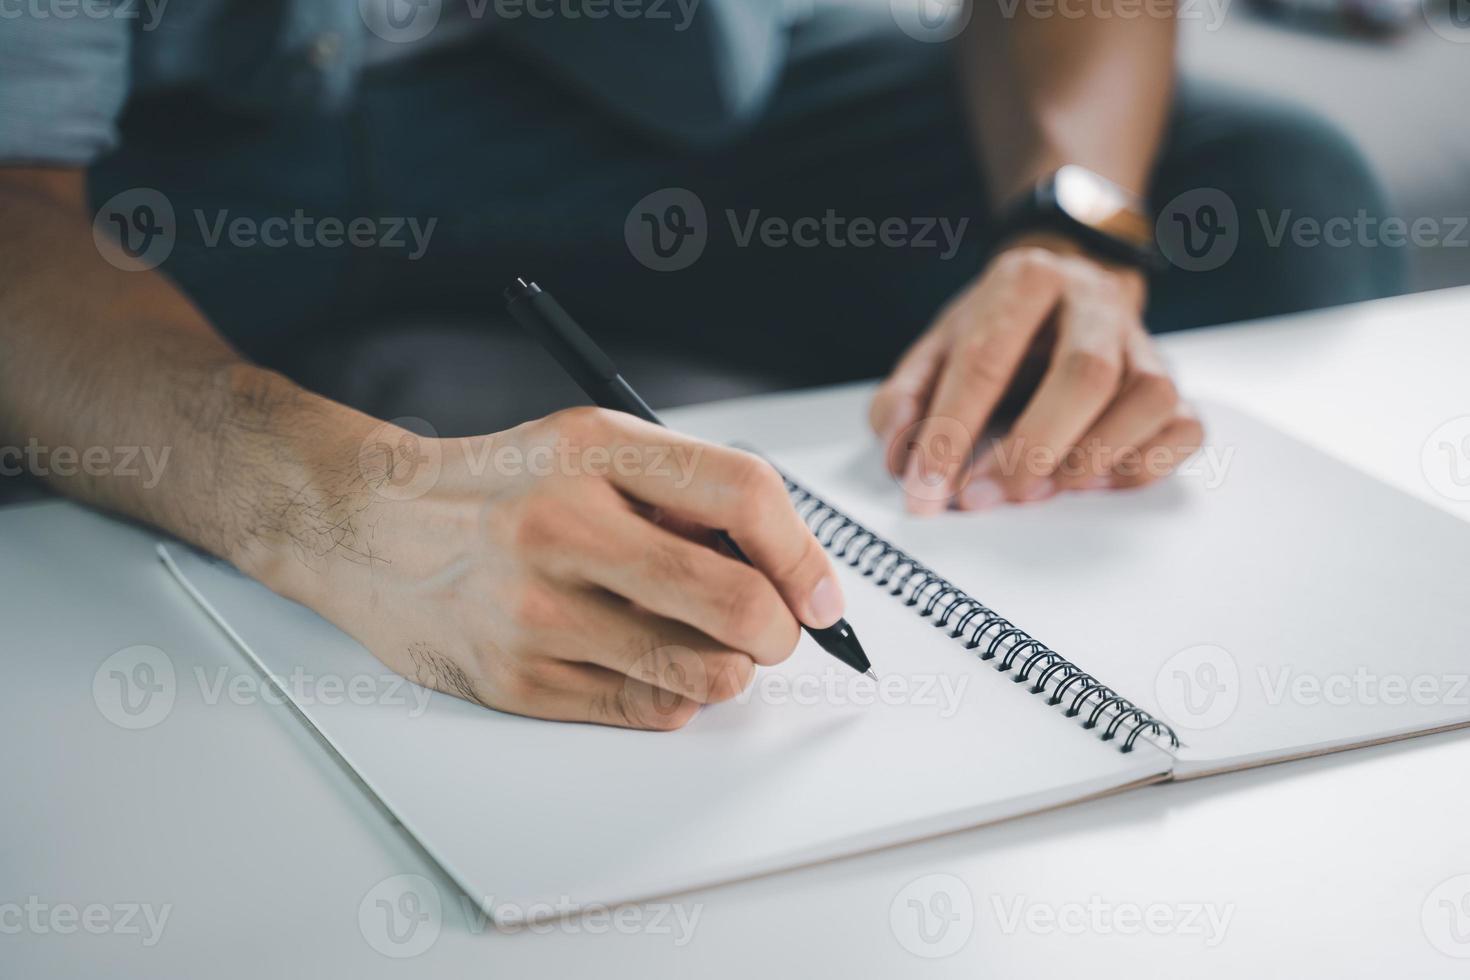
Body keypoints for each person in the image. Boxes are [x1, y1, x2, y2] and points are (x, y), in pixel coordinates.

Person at [0, 1, 1400, 729]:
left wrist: (1067, 232)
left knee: (1262, 188)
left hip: (656, 113)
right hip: (167, 159)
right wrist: (337, 507)